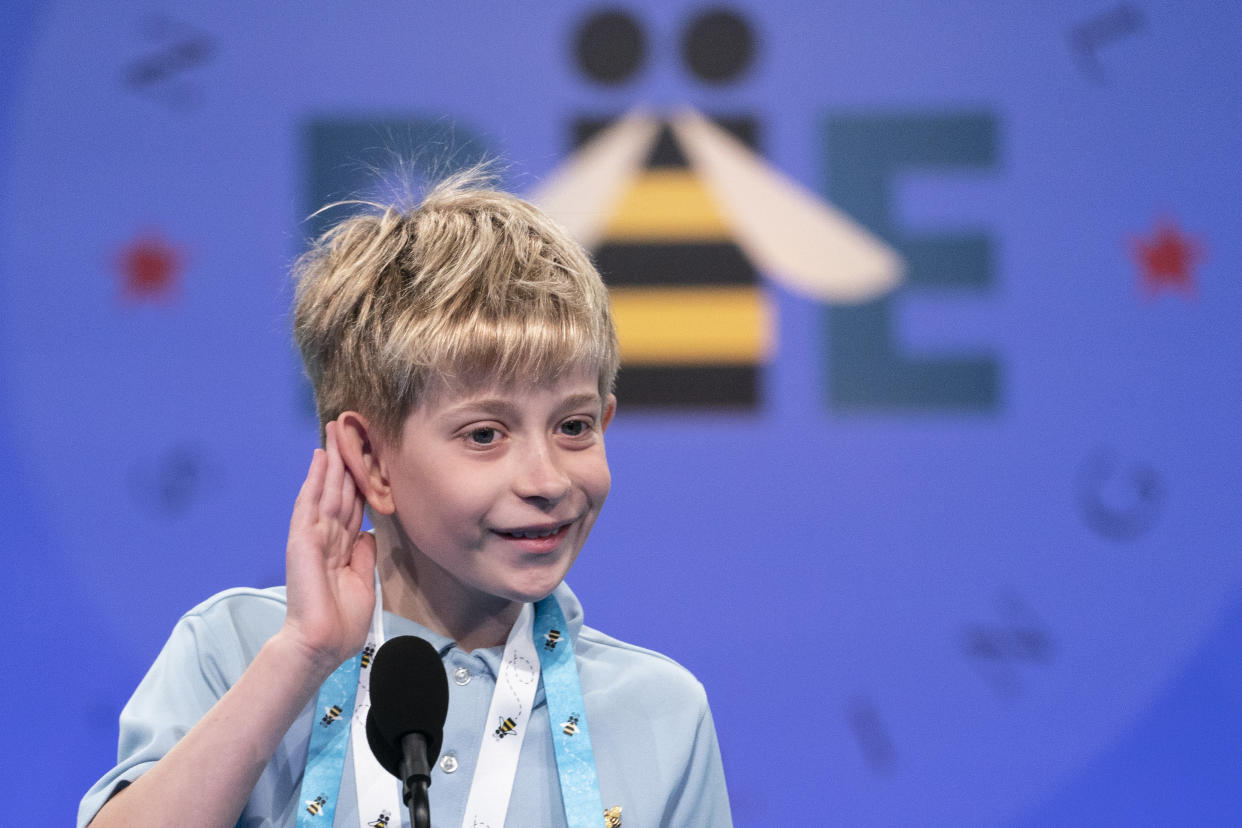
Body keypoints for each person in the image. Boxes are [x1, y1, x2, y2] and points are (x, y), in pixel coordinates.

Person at [78, 171, 733, 828]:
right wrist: (305, 655)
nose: (548, 479)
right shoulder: (238, 651)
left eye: (573, 427)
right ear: (370, 460)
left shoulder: (662, 712)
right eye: (485, 434)